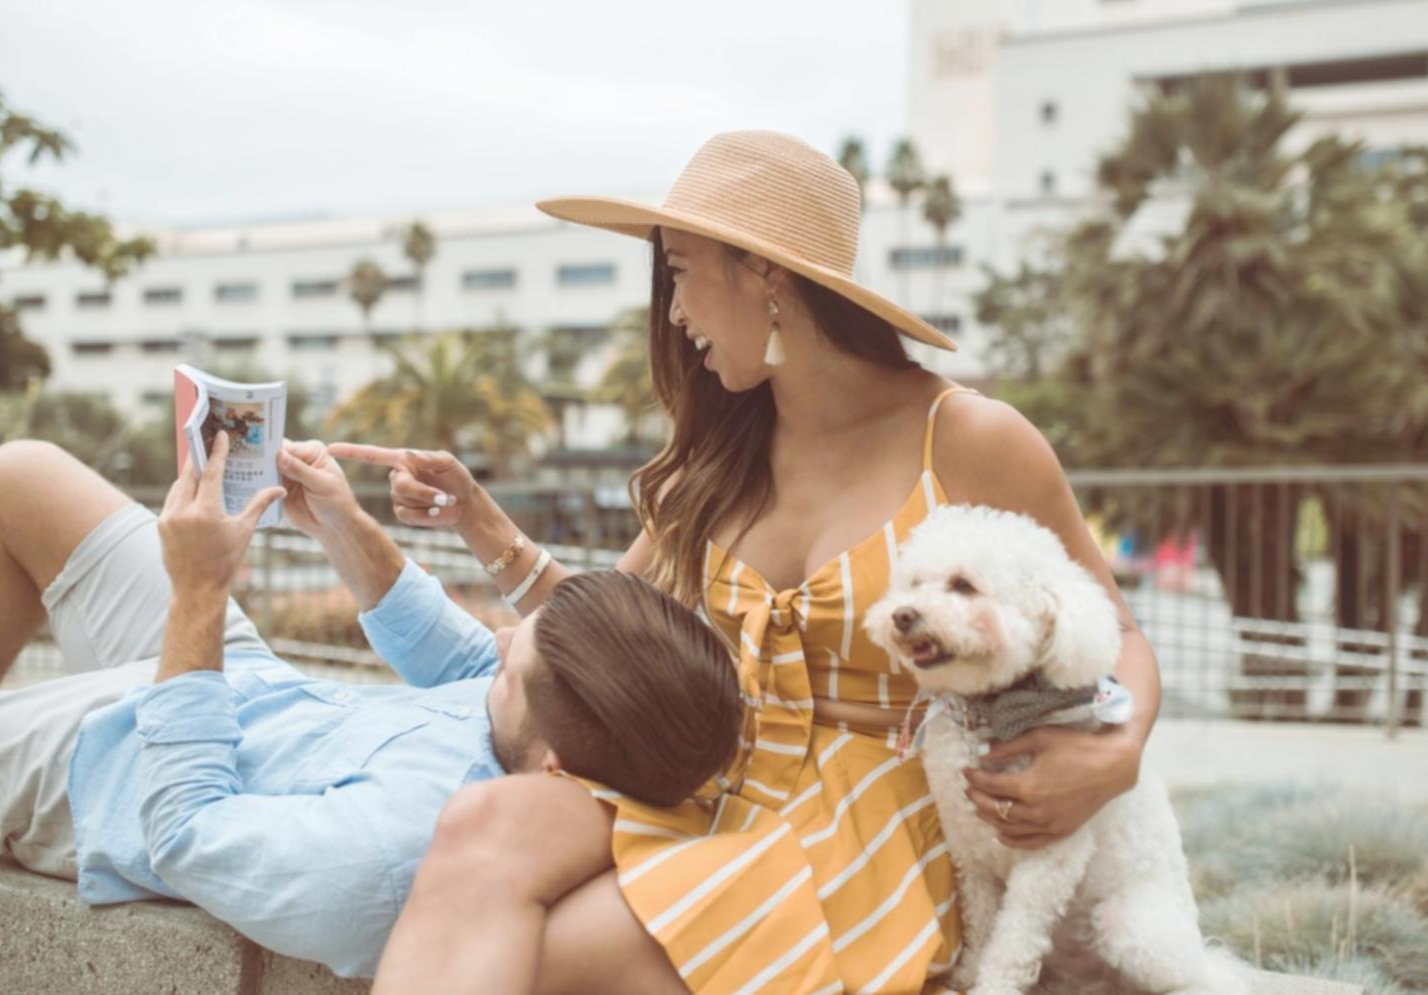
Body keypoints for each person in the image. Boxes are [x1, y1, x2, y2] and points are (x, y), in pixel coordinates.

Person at [345, 131, 1164, 994]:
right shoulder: (724, 451)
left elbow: (1120, 634)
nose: (671, 311)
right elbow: (605, 635)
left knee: (546, 956)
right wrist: (478, 522)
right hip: (710, 780)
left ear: (763, 274)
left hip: (879, 831)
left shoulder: (965, 439)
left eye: (682, 270)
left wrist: (1120, 751)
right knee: (483, 822)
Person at [0, 434, 741, 978]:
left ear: (555, 765)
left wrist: (200, 589)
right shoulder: (563, 736)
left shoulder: (381, 861)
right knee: (21, 474)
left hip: (105, 766)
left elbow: (184, 831)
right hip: (241, 678)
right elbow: (462, 656)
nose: (494, 643)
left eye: (511, 662)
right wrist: (340, 522)